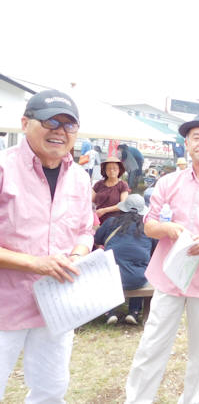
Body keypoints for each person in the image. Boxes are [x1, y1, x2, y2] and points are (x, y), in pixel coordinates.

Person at [125, 111, 199, 404]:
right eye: (197, 138)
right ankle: (138, 399)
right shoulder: (168, 183)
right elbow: (150, 226)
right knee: (152, 345)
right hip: (169, 277)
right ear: (187, 144)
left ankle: (191, 398)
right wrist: (167, 228)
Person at [0, 89, 93, 402]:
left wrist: (78, 255)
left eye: (69, 125)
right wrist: (34, 263)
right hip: (5, 304)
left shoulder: (79, 177)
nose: (60, 131)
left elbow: (85, 230)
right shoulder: (3, 168)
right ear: (25, 123)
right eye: (51, 121)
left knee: (51, 389)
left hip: (56, 305)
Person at [94, 194, 155, 325]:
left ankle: (110, 312)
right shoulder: (148, 227)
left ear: (123, 208)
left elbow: (97, 239)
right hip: (137, 279)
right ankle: (134, 312)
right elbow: (154, 250)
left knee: (112, 270)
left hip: (111, 278)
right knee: (140, 270)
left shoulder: (111, 222)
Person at [92, 156, 129, 224]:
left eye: (114, 168)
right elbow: (90, 201)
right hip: (97, 219)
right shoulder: (98, 184)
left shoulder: (123, 185)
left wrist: (104, 210)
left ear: (119, 170)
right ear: (105, 170)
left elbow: (123, 204)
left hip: (113, 222)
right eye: (109, 168)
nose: (111, 170)